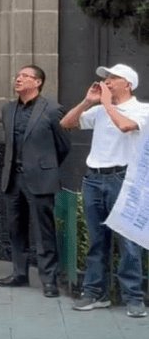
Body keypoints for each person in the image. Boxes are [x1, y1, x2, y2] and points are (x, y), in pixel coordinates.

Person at [61, 64, 149, 318]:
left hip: (124, 179)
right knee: (97, 240)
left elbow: (125, 126)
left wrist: (108, 105)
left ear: (128, 84)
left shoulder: (142, 110)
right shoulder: (98, 109)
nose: (107, 82)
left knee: (128, 242)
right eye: (106, 78)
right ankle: (95, 293)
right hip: (94, 178)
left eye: (113, 78)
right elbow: (67, 123)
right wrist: (87, 102)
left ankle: (133, 296)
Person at [0, 65, 70, 298]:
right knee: (15, 228)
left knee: (43, 230)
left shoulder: (53, 110)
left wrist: (44, 164)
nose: (18, 79)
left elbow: (63, 145)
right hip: (13, 177)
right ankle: (19, 273)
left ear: (37, 82)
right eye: (17, 75)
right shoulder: (8, 109)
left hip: (39, 178)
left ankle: (49, 279)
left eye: (25, 76)